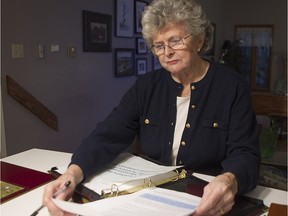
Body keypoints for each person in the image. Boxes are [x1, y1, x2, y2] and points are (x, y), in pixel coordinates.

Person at [43, 0, 260, 215]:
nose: (167, 52)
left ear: (199, 41)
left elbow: (245, 153)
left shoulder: (232, 86)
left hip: (206, 200)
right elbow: (108, 133)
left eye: (175, 41)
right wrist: (71, 174)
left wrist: (229, 180)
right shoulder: (146, 86)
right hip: (151, 201)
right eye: (159, 45)